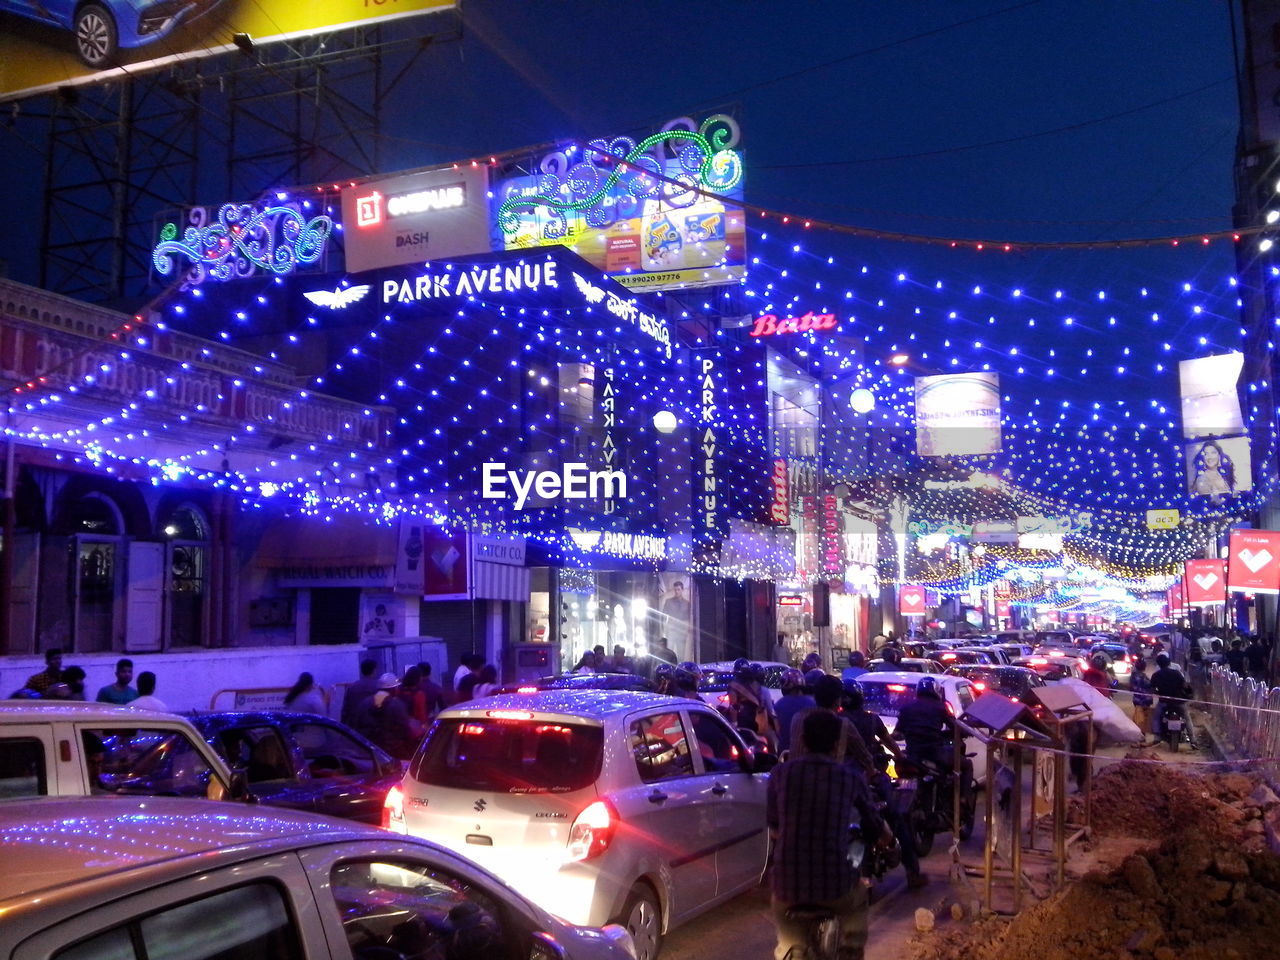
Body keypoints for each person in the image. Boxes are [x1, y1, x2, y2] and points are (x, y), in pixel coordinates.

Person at [768, 709, 889, 960]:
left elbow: (774, 826)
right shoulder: (849, 777)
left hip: (786, 885)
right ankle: (850, 951)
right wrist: (884, 838)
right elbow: (872, 822)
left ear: (802, 740)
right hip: (835, 884)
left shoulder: (780, 774)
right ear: (837, 743)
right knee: (857, 904)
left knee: (786, 941)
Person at [843, 681, 924, 890]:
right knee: (897, 816)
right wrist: (900, 757)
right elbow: (889, 743)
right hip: (870, 778)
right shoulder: (871, 720)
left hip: (844, 781)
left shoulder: (836, 721)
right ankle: (912, 872)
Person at [789, 675, 875, 778]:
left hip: (795, 782)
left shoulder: (797, 717)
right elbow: (865, 758)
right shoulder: (843, 724)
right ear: (838, 700)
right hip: (830, 787)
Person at [894, 677, 956, 773]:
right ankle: (962, 788)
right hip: (934, 754)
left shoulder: (906, 708)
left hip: (912, 753)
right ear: (936, 690)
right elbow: (955, 727)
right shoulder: (941, 707)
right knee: (967, 764)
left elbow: (897, 732)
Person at [353, 673, 420, 759]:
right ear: (393, 689)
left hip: (369, 753)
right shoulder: (397, 705)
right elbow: (405, 730)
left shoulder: (364, 704)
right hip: (393, 754)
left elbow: (356, 727)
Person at [726, 659, 779, 749]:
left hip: (743, 726)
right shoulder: (757, 686)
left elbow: (734, 707)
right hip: (757, 725)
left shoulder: (734, 686)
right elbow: (769, 710)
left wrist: (734, 725)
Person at [1151, 653, 1195, 747]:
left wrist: (1159, 692)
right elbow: (1184, 685)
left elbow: (1153, 689)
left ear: (1159, 664)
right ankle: (1193, 740)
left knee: (1156, 717)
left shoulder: (1156, 675)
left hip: (1164, 702)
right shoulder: (1176, 673)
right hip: (1179, 701)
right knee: (1187, 718)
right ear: (1168, 663)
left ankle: (1157, 737)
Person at [774, 669, 815, 755]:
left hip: (785, 751)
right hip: (809, 752)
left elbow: (777, 731)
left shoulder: (778, 705)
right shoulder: (812, 703)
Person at [342, 659, 382, 726]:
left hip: (355, 726)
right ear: (374, 670)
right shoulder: (379, 686)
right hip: (374, 726)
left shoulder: (352, 687)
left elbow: (345, 711)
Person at [1129, 655, 1153, 741]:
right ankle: (1140, 737)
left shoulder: (1134, 676)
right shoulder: (1142, 677)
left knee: (1139, 719)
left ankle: (1140, 737)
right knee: (1142, 720)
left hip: (1139, 700)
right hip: (1144, 700)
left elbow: (1132, 688)